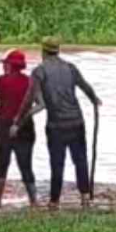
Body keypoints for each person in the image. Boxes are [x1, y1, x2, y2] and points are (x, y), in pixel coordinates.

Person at [12, 37, 102, 209]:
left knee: (57, 162)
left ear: (43, 51)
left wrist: (18, 119)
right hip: (76, 121)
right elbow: (85, 86)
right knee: (80, 160)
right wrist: (94, 99)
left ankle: (54, 201)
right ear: (58, 50)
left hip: (56, 125)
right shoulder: (70, 68)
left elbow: (29, 98)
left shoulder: (40, 71)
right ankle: (84, 197)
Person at [0, 50, 37, 208]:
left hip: (3, 125)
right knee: (26, 164)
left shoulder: (1, 80)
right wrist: (25, 115)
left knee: (1, 164)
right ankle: (33, 201)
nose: (3, 67)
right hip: (25, 126)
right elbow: (40, 103)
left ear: (10, 65)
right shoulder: (30, 81)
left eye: (5, 64)